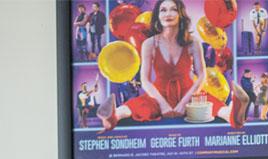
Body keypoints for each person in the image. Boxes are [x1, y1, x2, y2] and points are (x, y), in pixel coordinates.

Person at [97, 0, 249, 132]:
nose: (168, 13)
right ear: (157, 15)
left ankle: (232, 114)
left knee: (211, 103)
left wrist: (183, 103)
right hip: (158, 94)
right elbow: (145, 81)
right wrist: (163, 105)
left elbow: (202, 76)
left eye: (173, 9)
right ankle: (113, 116)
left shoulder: (193, 42)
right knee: (138, 105)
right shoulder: (149, 43)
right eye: (163, 10)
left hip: (189, 93)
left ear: (180, 14)